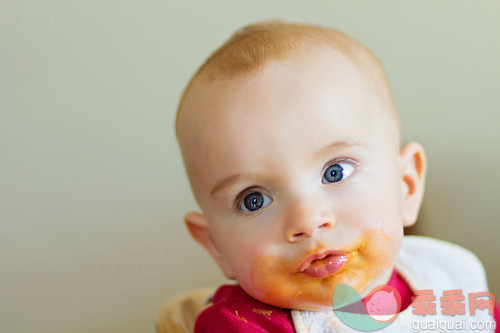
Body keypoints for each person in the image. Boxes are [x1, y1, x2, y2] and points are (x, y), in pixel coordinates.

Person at [172, 21, 497, 332]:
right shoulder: (242, 326)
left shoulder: (447, 277)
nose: (307, 220)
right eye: (253, 200)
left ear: (406, 187)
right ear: (215, 246)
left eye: (335, 172)